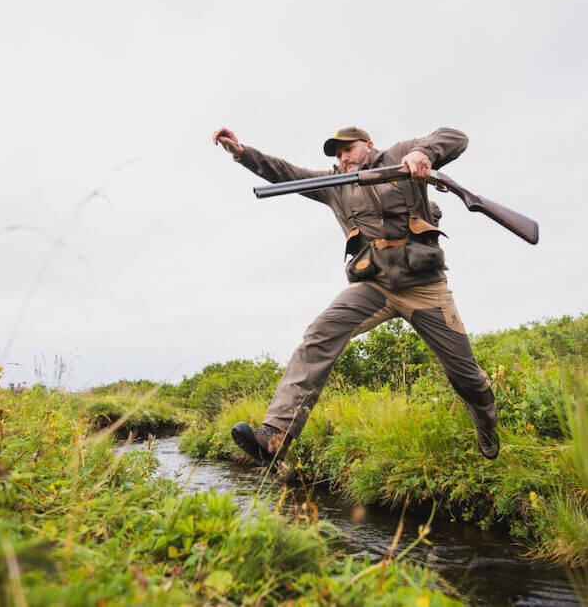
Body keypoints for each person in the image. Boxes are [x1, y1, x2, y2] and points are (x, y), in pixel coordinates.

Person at [212, 125, 500, 464]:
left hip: (424, 285)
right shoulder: (335, 186)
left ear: (369, 146)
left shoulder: (399, 154)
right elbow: (284, 173)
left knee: (466, 375)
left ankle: (486, 423)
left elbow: (456, 137)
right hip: (373, 285)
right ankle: (276, 436)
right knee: (319, 335)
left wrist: (424, 154)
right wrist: (243, 153)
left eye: (348, 149)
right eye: (337, 153)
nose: (342, 157)